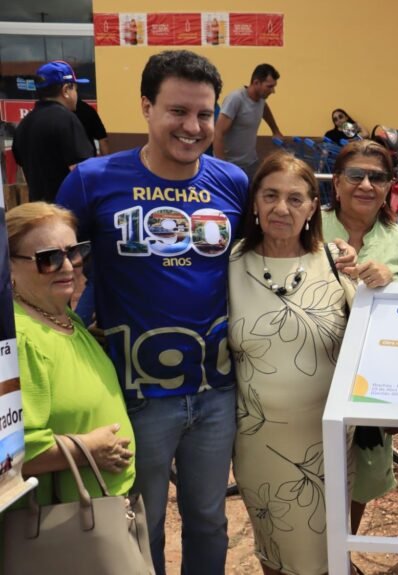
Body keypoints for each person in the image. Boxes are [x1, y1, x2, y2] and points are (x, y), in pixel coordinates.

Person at [55, 49, 249, 575]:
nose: (193, 127)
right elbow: (43, 254)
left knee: (208, 519)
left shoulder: (232, 182)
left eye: (204, 114)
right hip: (132, 394)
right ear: (146, 107)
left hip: (215, 390)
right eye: (177, 111)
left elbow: (269, 256)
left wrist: (340, 254)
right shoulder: (93, 180)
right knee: (142, 522)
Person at [228, 152, 357, 575]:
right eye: (270, 195)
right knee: (276, 552)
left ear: (312, 207)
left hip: (326, 441)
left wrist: (378, 278)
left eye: (295, 198)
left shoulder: (337, 262)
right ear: (255, 202)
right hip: (258, 441)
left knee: (326, 553)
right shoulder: (229, 265)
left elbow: (372, 333)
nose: (281, 208)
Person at [322, 139, 398, 533]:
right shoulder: (308, 226)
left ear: (388, 187)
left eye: (377, 178)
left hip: (370, 380)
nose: (366, 185)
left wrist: (391, 287)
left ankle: (341, 553)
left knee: (362, 472)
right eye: (355, 175)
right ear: (336, 182)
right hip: (309, 372)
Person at [8, 202, 135, 509]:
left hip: (101, 507)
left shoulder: (63, 317)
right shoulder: (21, 338)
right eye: (48, 258)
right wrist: (87, 449)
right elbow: (11, 453)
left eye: (74, 253)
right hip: (67, 520)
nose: (67, 267)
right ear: (8, 265)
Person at [12, 60, 95, 203]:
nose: (77, 94)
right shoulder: (66, 119)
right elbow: (83, 172)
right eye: (75, 89)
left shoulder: (24, 124)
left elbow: (23, 166)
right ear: (66, 90)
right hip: (65, 211)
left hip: (38, 211)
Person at [214, 63, 284, 178]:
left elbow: (265, 109)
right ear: (256, 83)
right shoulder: (236, 99)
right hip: (232, 165)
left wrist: (275, 130)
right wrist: (221, 166)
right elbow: (218, 132)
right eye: (269, 86)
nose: (273, 91)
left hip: (252, 163)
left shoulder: (261, 100)